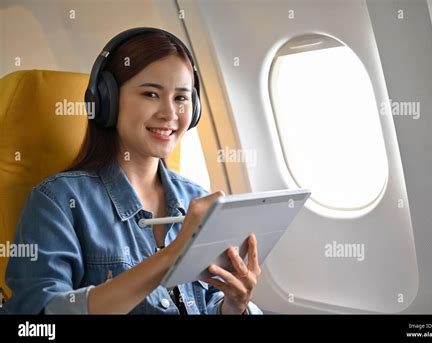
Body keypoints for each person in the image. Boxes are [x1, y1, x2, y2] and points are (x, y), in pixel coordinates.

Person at [1, 28, 262, 314]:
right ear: (106, 101)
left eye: (181, 98)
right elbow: (37, 321)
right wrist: (173, 255)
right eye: (151, 94)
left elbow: (208, 302)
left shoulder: (198, 199)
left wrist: (234, 306)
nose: (169, 113)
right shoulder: (58, 201)